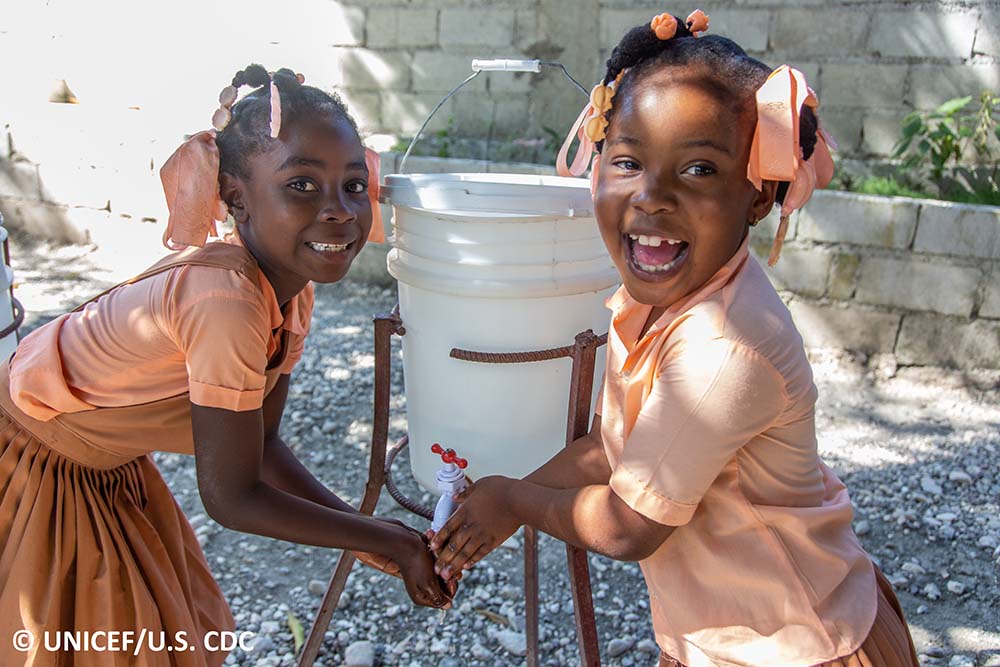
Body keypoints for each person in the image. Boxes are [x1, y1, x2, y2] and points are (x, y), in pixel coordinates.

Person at [429, 12, 919, 667]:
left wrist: (514, 500)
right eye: (629, 160)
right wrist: (499, 505)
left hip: (795, 645)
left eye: (698, 170)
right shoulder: (656, 299)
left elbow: (631, 525)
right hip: (721, 640)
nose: (651, 196)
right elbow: (612, 450)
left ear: (757, 194)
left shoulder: (725, 345)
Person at [0, 63, 450, 667]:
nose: (340, 210)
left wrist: (373, 540)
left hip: (98, 467)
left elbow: (261, 445)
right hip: (30, 462)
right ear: (236, 197)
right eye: (301, 185)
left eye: (351, 184)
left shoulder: (290, 289)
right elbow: (232, 498)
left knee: (158, 631)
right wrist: (382, 540)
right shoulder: (225, 301)